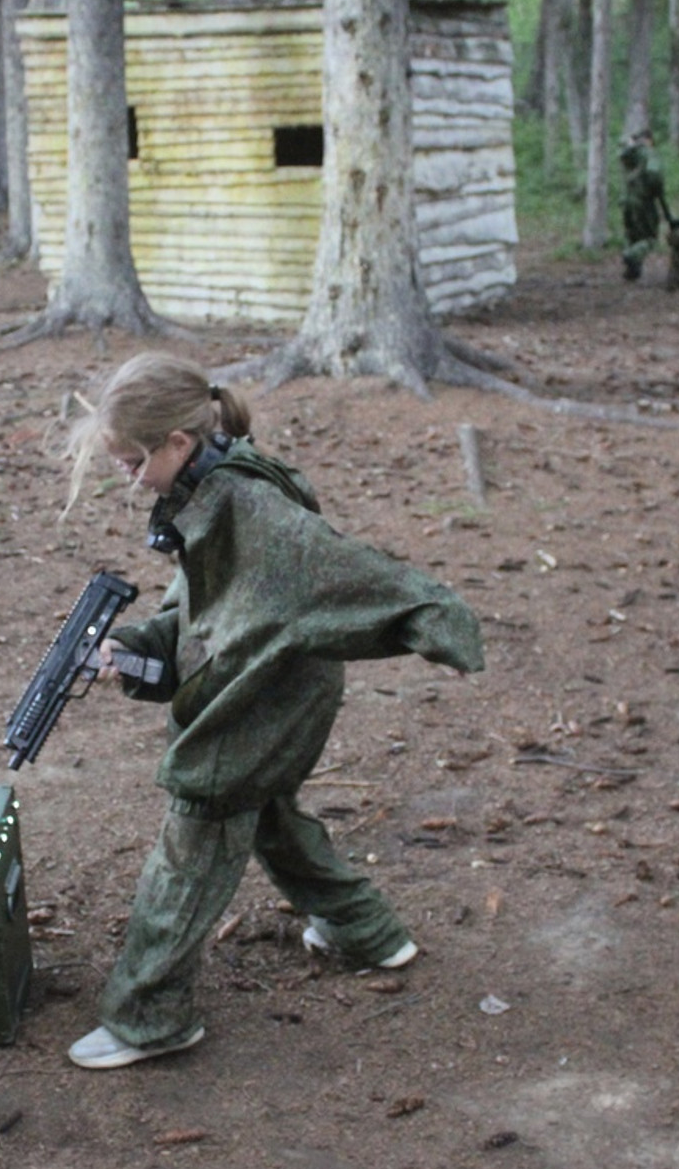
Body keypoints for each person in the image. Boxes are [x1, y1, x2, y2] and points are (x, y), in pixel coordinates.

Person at [55, 353, 485, 1070]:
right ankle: (368, 932)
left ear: (178, 444)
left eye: (133, 462)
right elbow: (209, 606)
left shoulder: (249, 507)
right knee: (269, 815)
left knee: (200, 821)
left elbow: (345, 570)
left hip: (274, 694)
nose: (128, 478)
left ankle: (150, 1016)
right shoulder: (207, 492)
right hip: (269, 682)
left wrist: (436, 618)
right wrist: (131, 651)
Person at [618, 132, 666, 282]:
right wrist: (656, 191)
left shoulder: (630, 154)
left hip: (627, 201)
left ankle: (632, 271)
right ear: (649, 140)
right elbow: (654, 175)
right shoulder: (649, 153)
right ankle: (630, 255)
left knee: (632, 235)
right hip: (643, 202)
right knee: (650, 238)